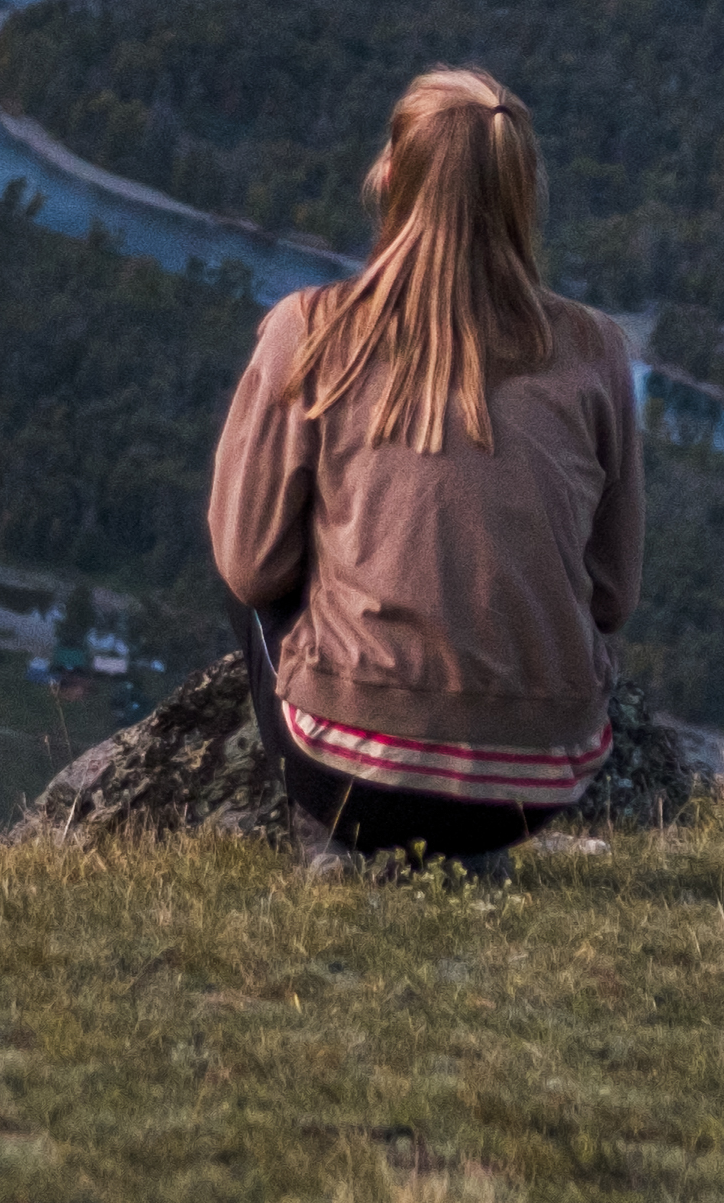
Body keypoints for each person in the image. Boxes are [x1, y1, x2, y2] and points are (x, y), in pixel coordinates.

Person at [207, 64, 641, 872]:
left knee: (252, 549)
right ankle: (472, 843)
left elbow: (250, 565)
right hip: (532, 787)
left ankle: (330, 838)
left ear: (392, 176)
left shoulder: (309, 330)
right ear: (522, 190)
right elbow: (613, 593)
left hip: (347, 773)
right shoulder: (597, 350)